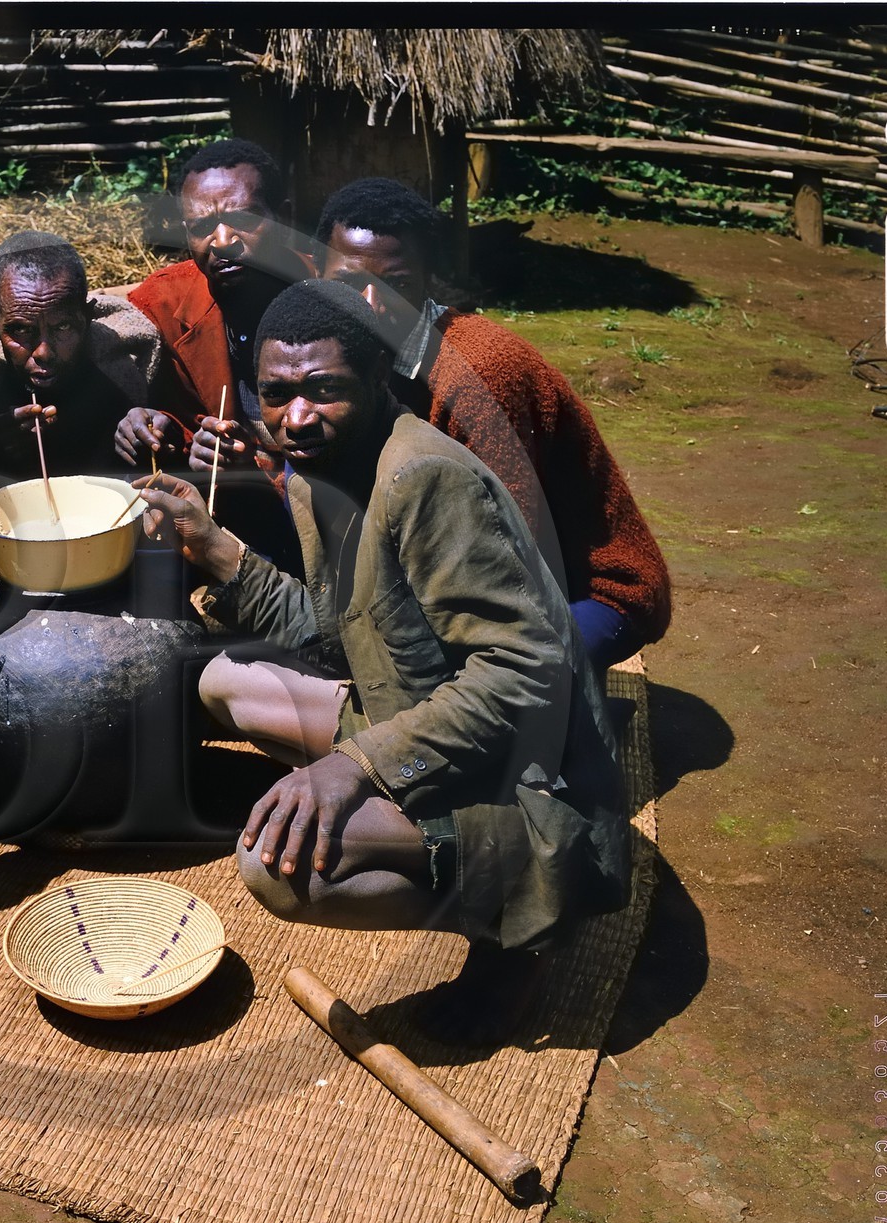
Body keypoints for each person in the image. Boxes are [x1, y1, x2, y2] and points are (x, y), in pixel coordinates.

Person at [134, 280, 630, 1041]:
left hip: (532, 782)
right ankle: (413, 827)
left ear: (378, 381)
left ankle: (513, 930)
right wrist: (218, 551)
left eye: (323, 390)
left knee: (276, 864)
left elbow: (524, 673)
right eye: (277, 394)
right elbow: (334, 632)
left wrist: (355, 765)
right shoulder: (319, 473)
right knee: (223, 682)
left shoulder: (424, 477)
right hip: (417, 711)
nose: (295, 416)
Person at [310, 177, 671, 669]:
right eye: (349, 286)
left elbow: (509, 550)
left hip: (586, 595)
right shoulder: (342, 358)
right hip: (453, 575)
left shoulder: (479, 372)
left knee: (468, 683)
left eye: (397, 286)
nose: (371, 307)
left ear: (429, 280)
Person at [116, 139, 312, 473]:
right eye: (202, 227)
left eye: (244, 220)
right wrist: (165, 434)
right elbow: (168, 420)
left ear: (286, 219)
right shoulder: (162, 305)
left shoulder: (330, 292)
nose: (222, 243)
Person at [0, 230, 162, 479]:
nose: (43, 352)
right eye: (20, 330)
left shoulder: (123, 363)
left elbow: (157, 465)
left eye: (63, 327)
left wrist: (143, 438)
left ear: (87, 317)